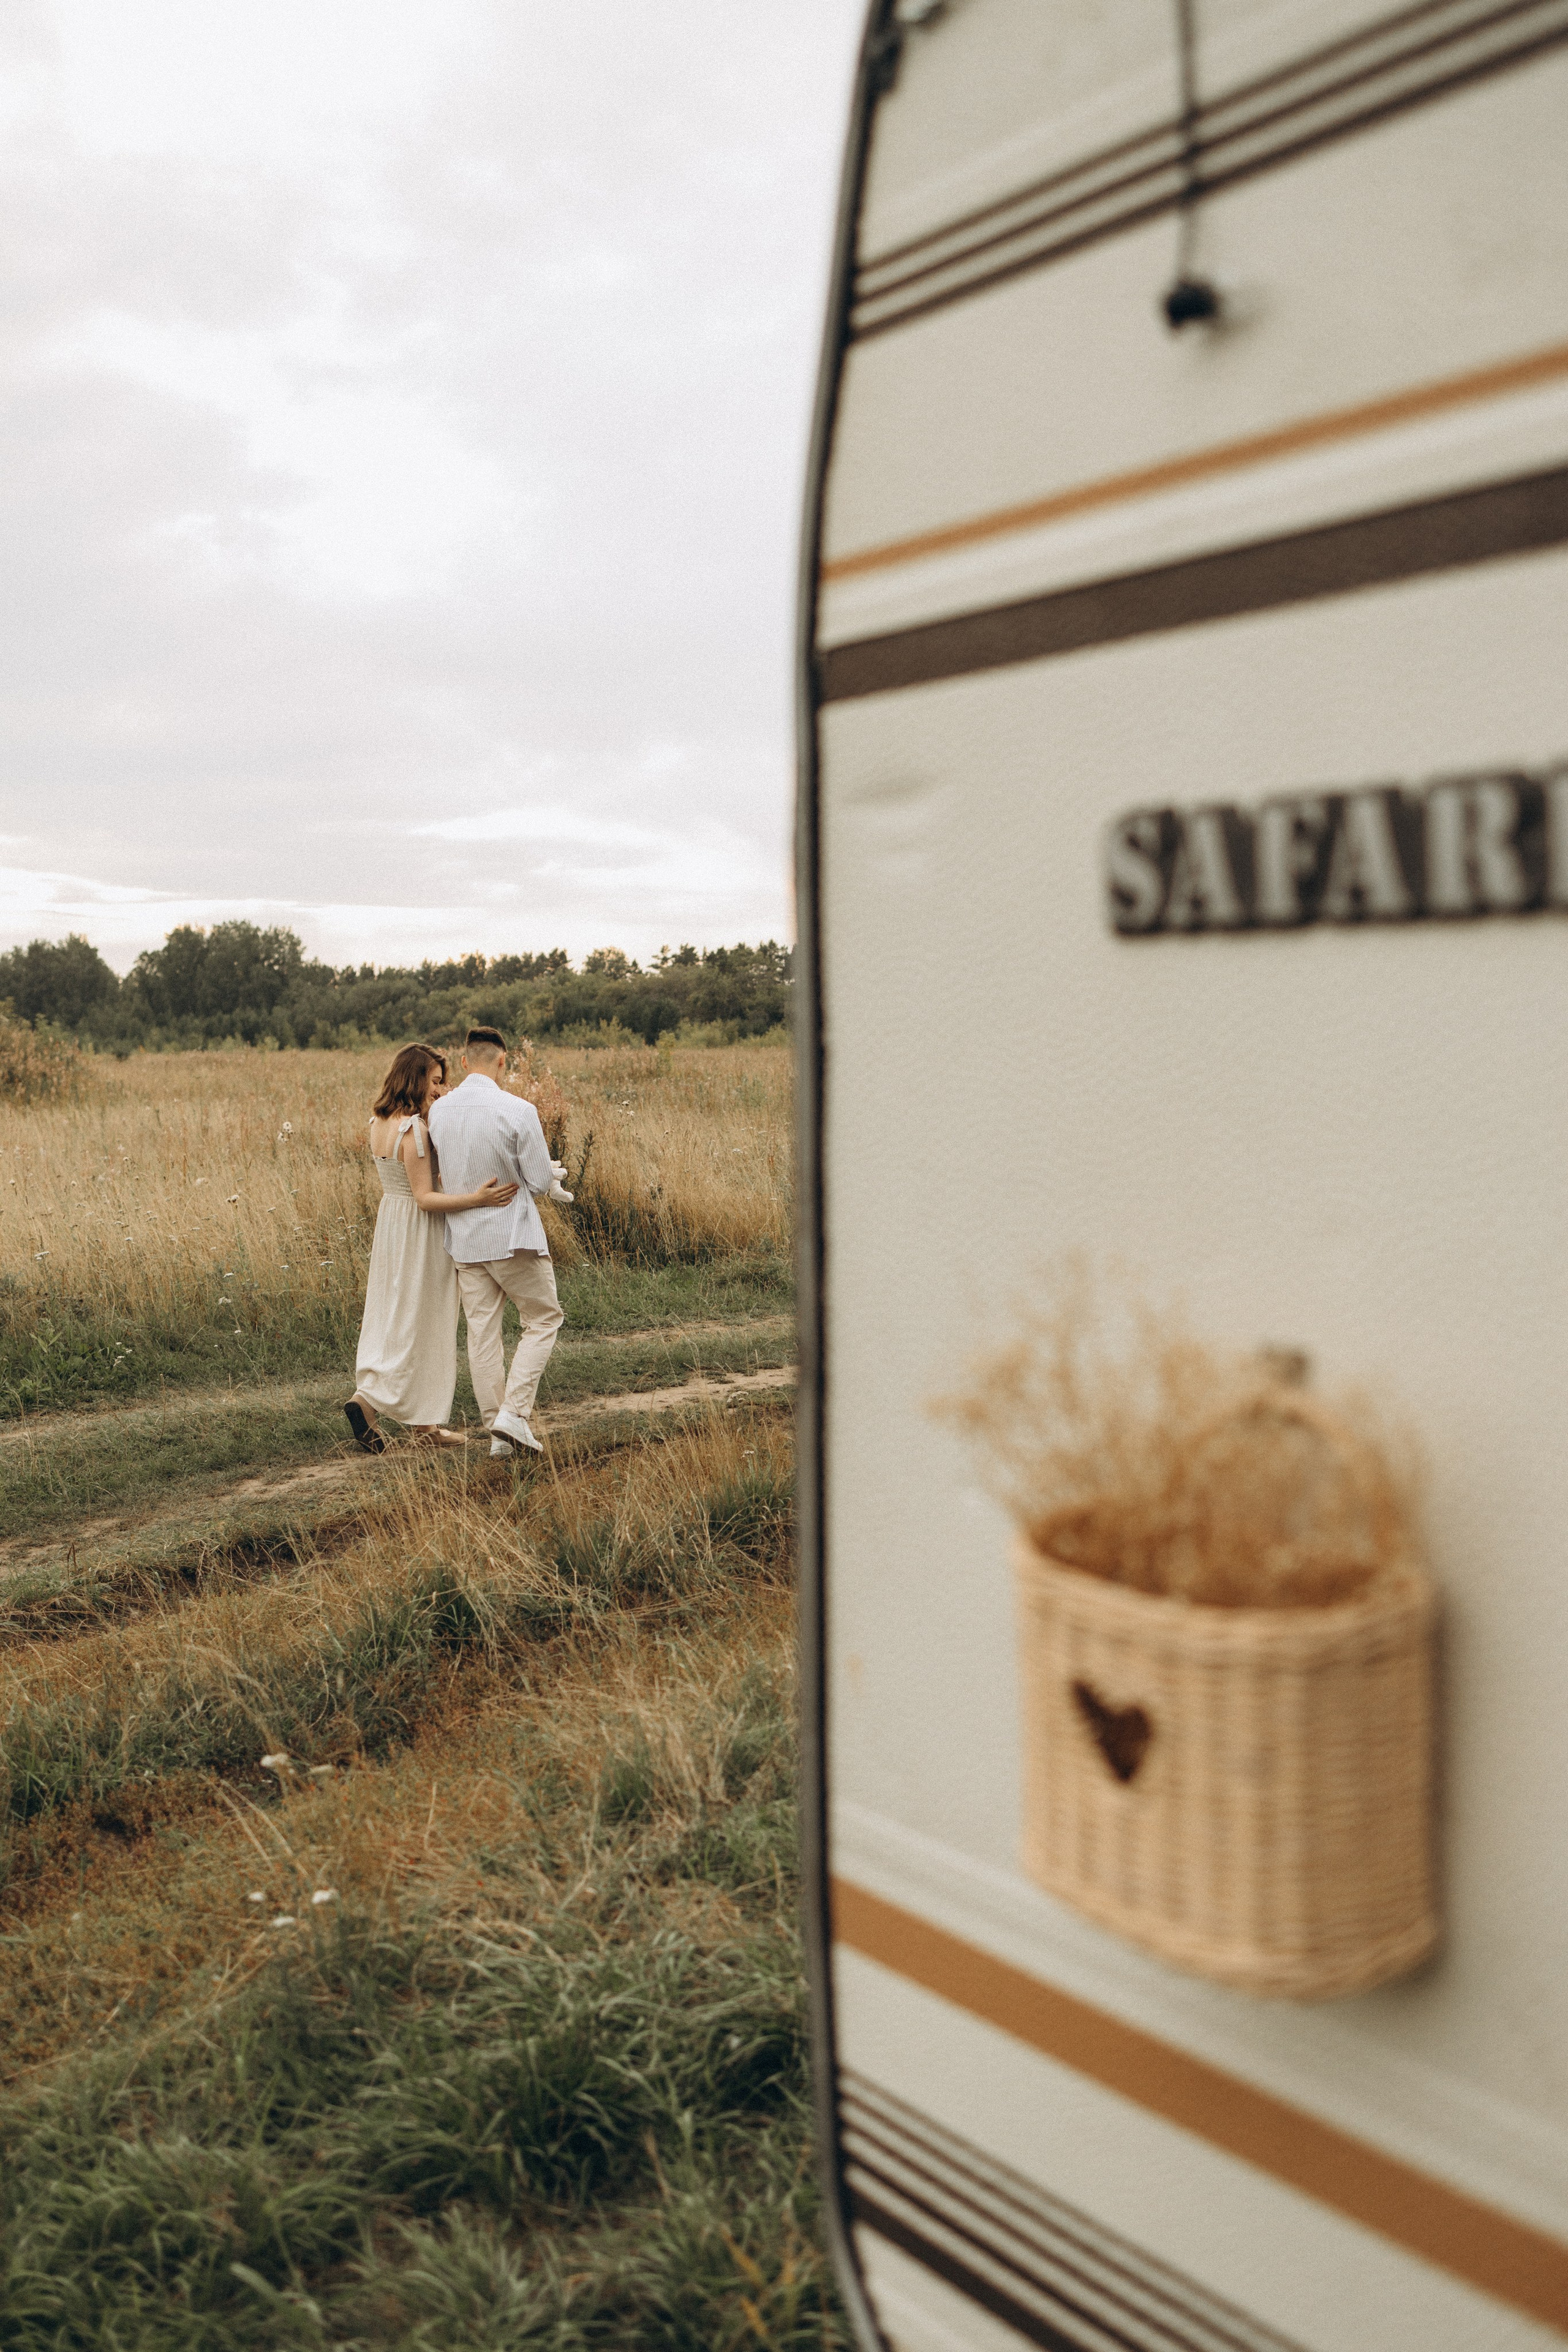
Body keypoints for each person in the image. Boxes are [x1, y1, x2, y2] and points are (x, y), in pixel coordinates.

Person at [344, 1042, 520, 1454]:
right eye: (435, 1081)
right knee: (421, 1322)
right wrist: (478, 1199)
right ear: (415, 1079)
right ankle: (368, 1404)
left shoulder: (380, 1121)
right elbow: (425, 1197)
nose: (441, 1090)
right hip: (421, 1230)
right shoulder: (416, 1131)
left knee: (399, 1315)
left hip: (392, 1226)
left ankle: (426, 1426)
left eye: (444, 1081)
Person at [427, 1025, 571, 1457]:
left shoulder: (440, 1112)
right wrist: (543, 1173)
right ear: (503, 1061)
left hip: (466, 1241)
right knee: (544, 1319)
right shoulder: (519, 1109)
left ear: (466, 1060)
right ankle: (514, 1415)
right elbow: (540, 1182)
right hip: (512, 1237)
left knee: (482, 1334)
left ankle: (499, 1437)